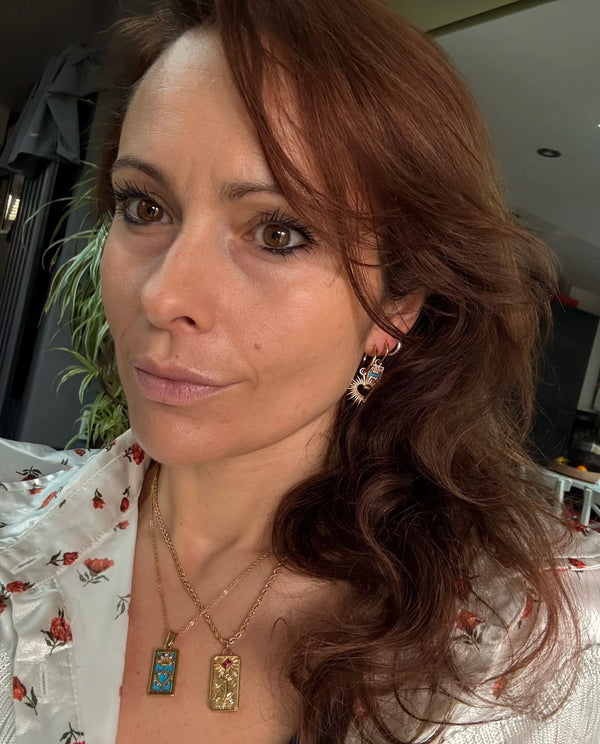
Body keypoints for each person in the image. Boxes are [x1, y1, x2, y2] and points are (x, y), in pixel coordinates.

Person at [1, 0, 599, 742]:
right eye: (144, 206)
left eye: (278, 233)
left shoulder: (545, 638)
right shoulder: (16, 534)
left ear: (396, 305)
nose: (162, 295)